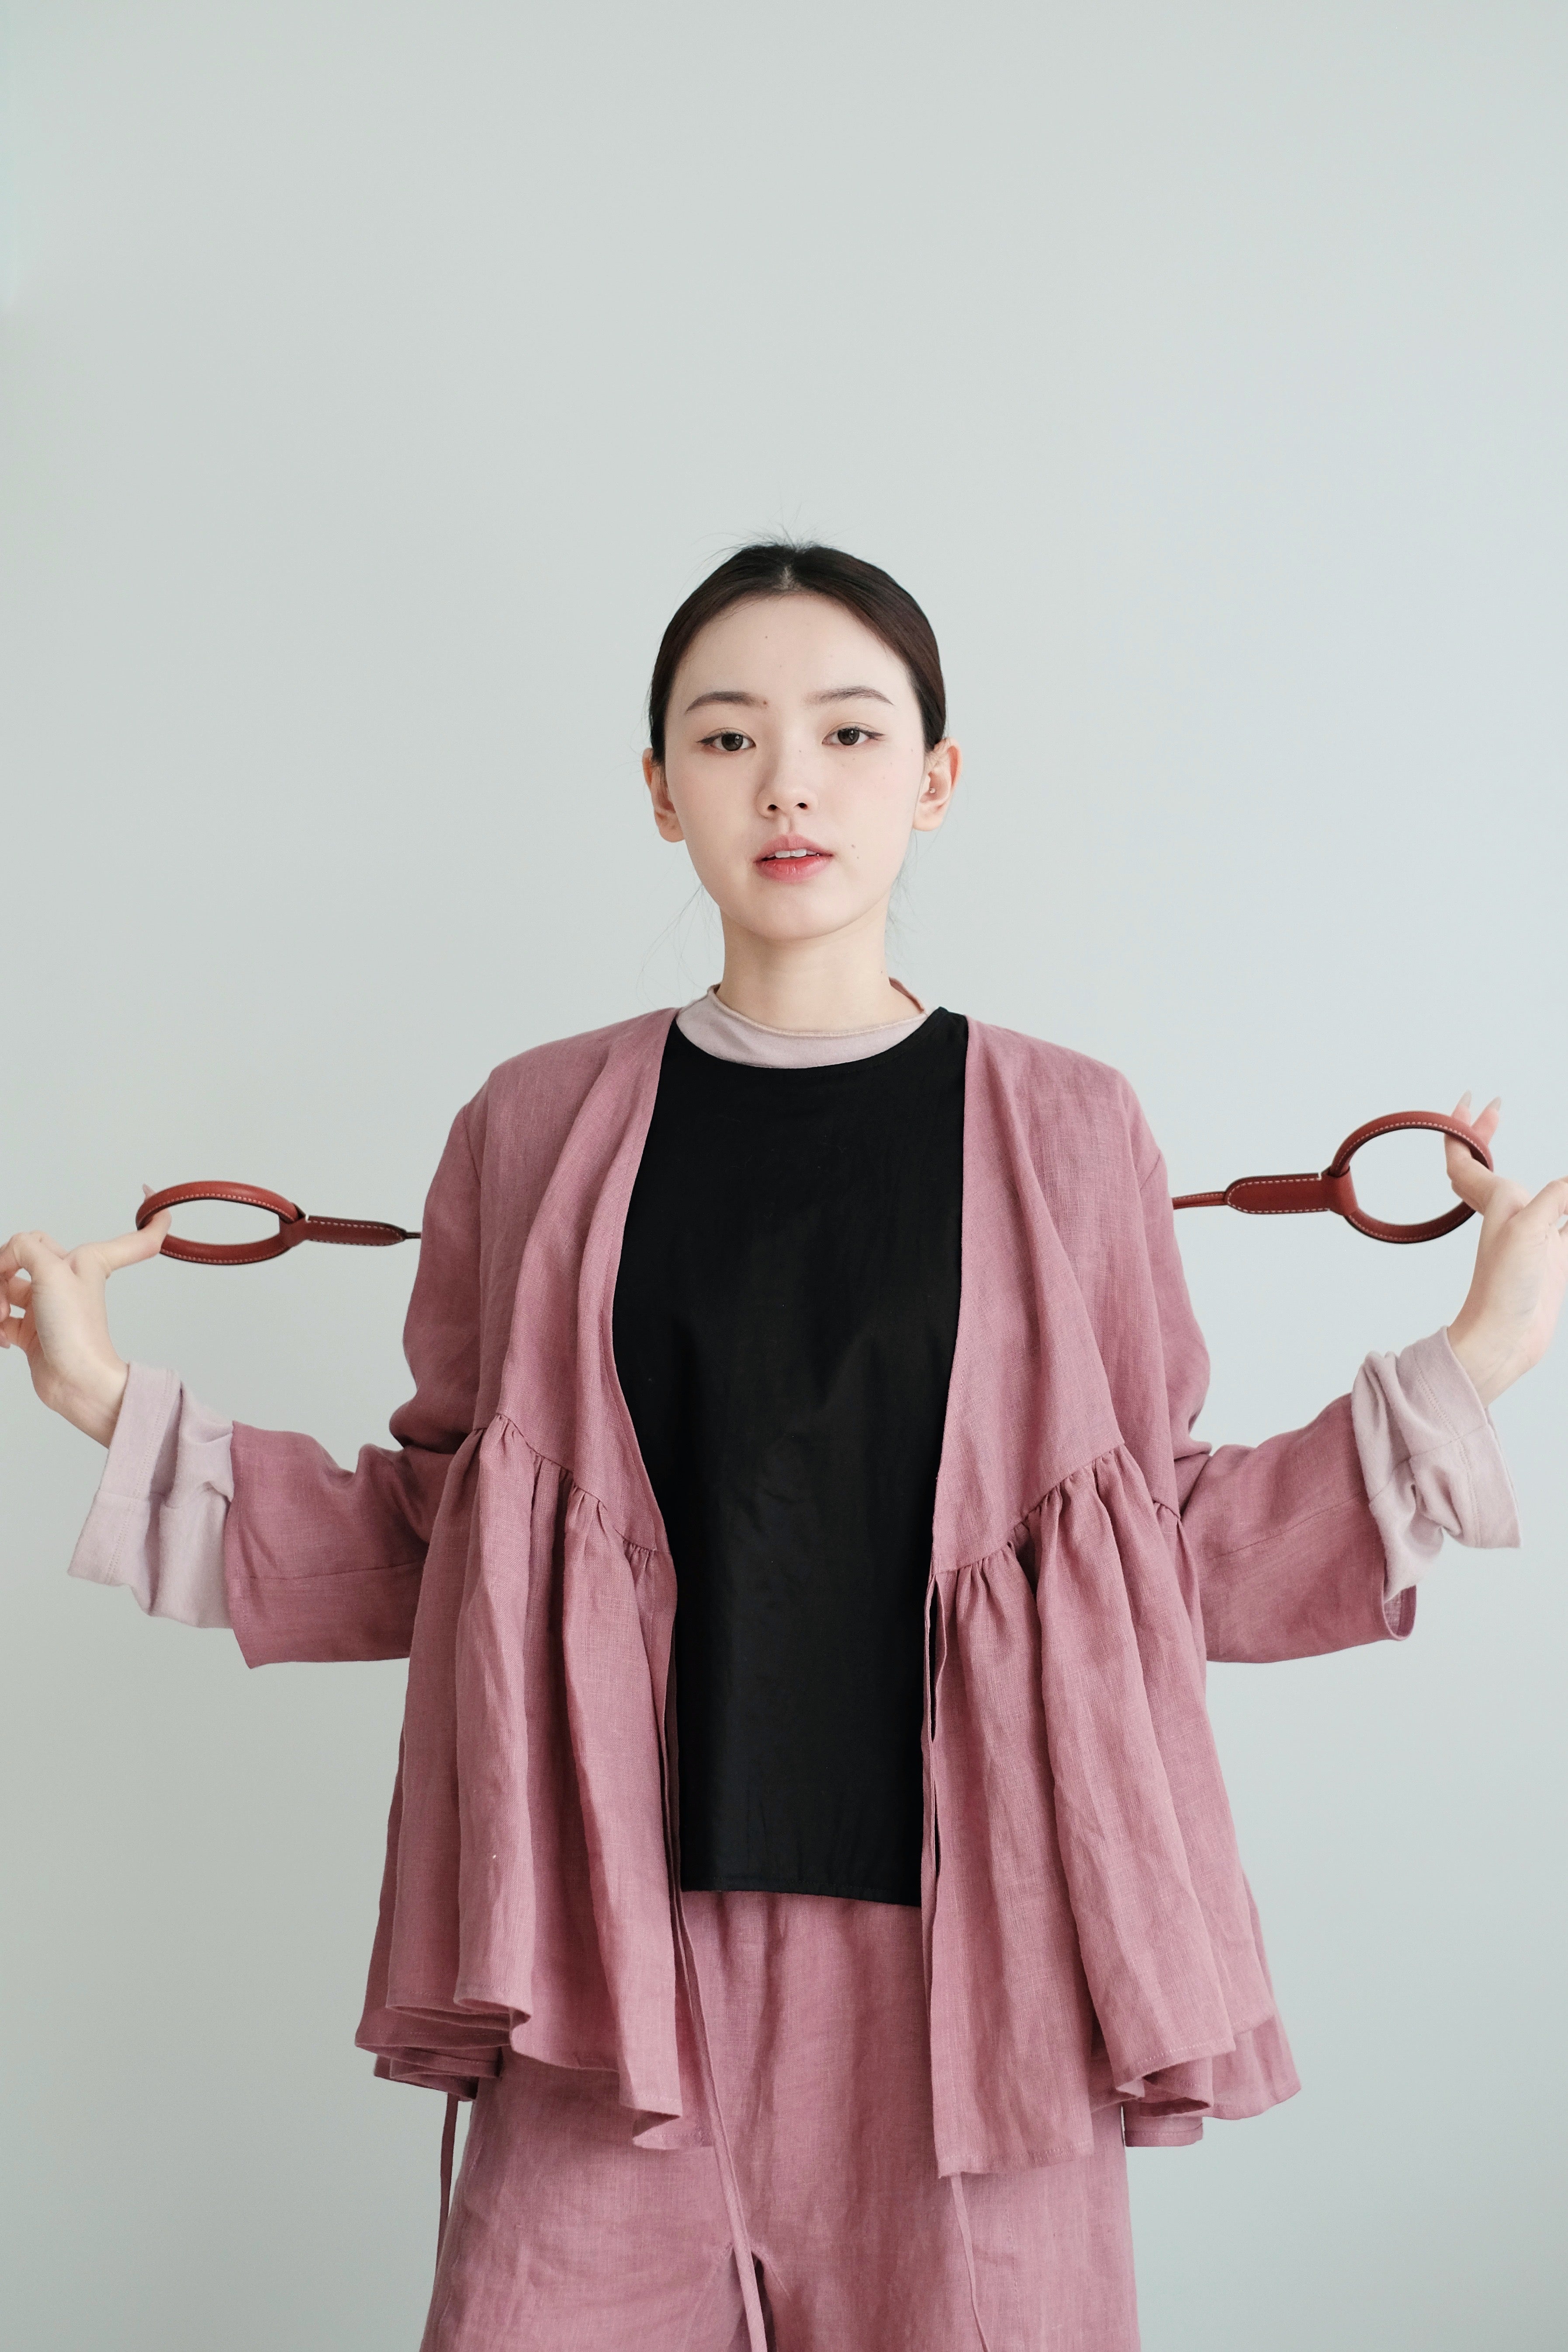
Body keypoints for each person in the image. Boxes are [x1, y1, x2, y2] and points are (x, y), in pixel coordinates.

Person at [4, 542, 1565, 2352]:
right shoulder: (533, 1125)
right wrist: (113, 1399)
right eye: (729, 736)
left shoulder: (1071, 1127)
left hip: (977, 1978)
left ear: (936, 778)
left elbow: (1160, 1548)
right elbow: (446, 1543)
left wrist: (1481, 1351)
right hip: (607, 1970)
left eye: (848, 731)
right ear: (661, 787)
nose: (790, 784)